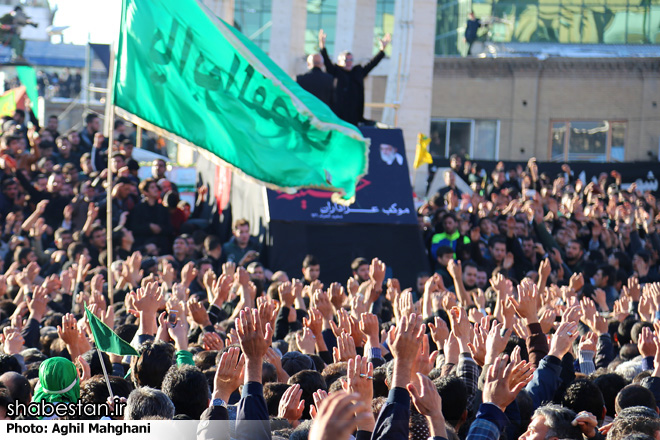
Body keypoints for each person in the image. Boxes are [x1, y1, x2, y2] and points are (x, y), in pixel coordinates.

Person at [318, 29, 391, 126]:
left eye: (351, 60)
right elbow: (327, 63)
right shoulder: (336, 71)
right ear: (340, 61)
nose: (349, 62)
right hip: (340, 114)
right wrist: (322, 47)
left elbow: (372, 64)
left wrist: (382, 50)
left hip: (354, 114)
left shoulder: (358, 72)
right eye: (346, 60)